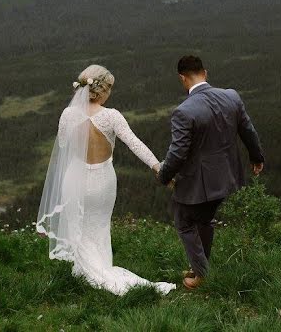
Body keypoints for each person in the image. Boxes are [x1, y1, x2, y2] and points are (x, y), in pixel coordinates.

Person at [36, 64, 176, 295]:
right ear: (101, 90)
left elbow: (63, 146)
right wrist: (157, 166)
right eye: (109, 88)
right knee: (99, 225)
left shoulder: (68, 114)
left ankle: (84, 271)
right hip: (101, 180)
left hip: (74, 177)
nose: (111, 92)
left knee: (78, 224)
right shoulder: (111, 116)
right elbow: (134, 143)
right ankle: (100, 268)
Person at [157, 55, 265, 290]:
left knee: (184, 221)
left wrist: (164, 175)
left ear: (183, 79)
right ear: (205, 73)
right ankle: (200, 267)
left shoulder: (183, 111)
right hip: (227, 177)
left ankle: (202, 275)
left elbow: (177, 154)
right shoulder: (231, 96)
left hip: (199, 182)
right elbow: (248, 130)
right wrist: (257, 157)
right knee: (204, 219)